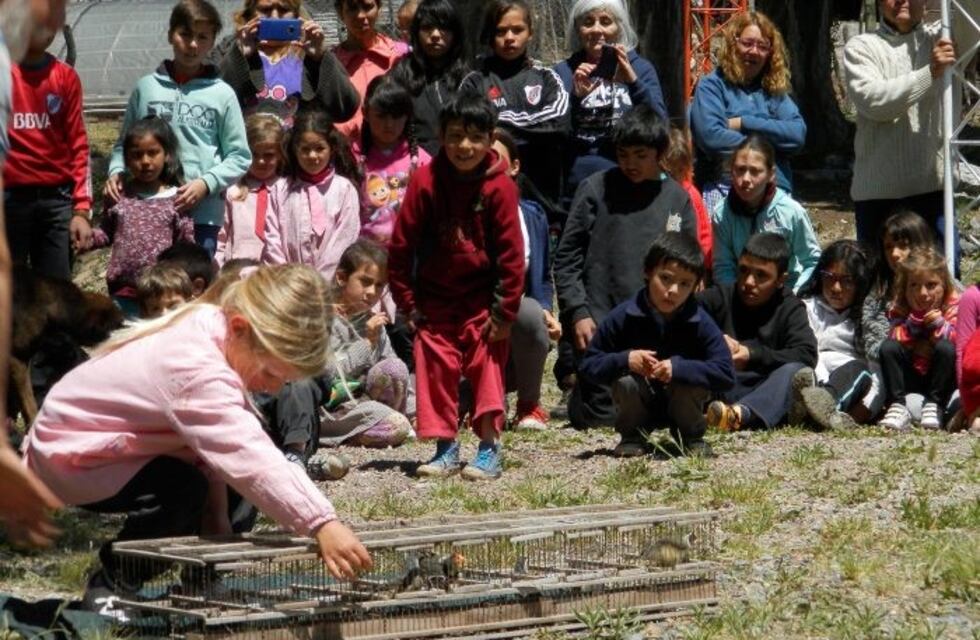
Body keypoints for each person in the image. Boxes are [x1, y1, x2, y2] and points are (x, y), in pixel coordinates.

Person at [23, 264, 373, 611]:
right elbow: (246, 454)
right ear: (239, 328)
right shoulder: (195, 369)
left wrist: (218, 513)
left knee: (237, 477)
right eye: (271, 373)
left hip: (128, 445)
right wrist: (321, 522)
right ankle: (115, 583)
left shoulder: (216, 327)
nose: (274, 387)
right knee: (184, 488)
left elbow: (219, 449)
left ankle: (204, 576)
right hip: (71, 451)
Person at [388, 92, 524, 481]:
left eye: (475, 137)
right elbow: (401, 247)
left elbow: (511, 257)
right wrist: (407, 302)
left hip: (483, 299)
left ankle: (488, 449)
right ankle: (445, 448)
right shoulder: (426, 181)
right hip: (435, 299)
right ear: (441, 137)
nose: (465, 147)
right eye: (454, 137)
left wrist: (504, 312)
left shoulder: (500, 188)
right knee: (435, 365)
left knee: (486, 365)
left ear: (489, 138)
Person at [553, 103, 697, 428]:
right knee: (599, 418)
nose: (630, 163)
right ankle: (578, 387)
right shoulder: (595, 189)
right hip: (600, 325)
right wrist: (578, 312)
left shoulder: (676, 199)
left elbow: (689, 265)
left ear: (659, 153)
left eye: (640, 154)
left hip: (657, 328)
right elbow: (566, 257)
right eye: (623, 153)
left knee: (658, 414)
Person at [0, 0, 69, 550]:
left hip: (50, 201)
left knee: (48, 306)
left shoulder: (59, 77)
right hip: (13, 198)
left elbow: (75, 143)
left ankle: (43, 410)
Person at [105, 0, 252, 257]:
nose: (193, 45)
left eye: (202, 37)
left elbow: (239, 156)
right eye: (185, 34)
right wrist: (116, 171)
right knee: (147, 284)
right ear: (171, 35)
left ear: (212, 41)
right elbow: (123, 144)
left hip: (201, 214)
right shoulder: (146, 88)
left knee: (192, 287)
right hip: (146, 210)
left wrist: (206, 183)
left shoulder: (222, 94)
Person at [580, 232, 734, 458]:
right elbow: (588, 366)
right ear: (647, 272)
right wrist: (625, 359)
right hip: (640, 398)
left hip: (683, 404)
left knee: (691, 381)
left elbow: (726, 373)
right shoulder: (623, 316)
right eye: (666, 278)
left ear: (696, 287)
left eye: (684, 284)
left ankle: (691, 438)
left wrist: (679, 369)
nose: (673, 290)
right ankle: (632, 437)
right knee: (626, 383)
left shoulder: (701, 321)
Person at [843, 0, 958, 255]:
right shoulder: (861, 47)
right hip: (878, 196)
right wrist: (931, 71)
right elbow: (875, 102)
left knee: (941, 285)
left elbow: (974, 11)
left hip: (934, 191)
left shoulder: (947, 36)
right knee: (878, 285)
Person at [553, 0, 667, 210]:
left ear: (619, 27)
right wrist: (576, 99)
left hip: (631, 186)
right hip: (577, 190)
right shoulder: (563, 71)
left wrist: (633, 83)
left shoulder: (640, 69)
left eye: (606, 21)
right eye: (588, 22)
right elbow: (555, 136)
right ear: (578, 29)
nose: (597, 29)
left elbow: (660, 126)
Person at [700, 232, 819, 431]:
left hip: (763, 388)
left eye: (761, 275)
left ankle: (739, 415)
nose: (748, 282)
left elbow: (806, 354)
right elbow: (679, 320)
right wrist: (713, 340)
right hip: (719, 386)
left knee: (795, 371)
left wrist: (752, 355)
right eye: (744, 270)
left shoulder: (790, 307)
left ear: (781, 280)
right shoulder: (719, 297)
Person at [459, 0, 569, 214]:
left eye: (517, 30)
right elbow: (469, 129)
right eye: (501, 31)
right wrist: (531, 130)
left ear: (530, 33)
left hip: (543, 199)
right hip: (486, 197)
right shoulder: (474, 82)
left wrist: (497, 127)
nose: (509, 38)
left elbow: (559, 126)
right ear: (490, 35)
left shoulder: (547, 78)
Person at [689, 10, 805, 212]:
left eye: (762, 46)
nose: (754, 51)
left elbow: (797, 135)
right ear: (733, 44)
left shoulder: (774, 91)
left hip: (775, 190)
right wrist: (770, 147)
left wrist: (744, 122)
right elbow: (711, 137)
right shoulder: (712, 86)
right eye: (747, 43)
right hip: (725, 188)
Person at [3, 17, 91, 280]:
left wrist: (81, 210)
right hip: (8, 202)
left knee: (57, 295)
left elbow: (78, 145)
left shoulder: (65, 78)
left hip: (56, 203)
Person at [85, 117, 194, 317]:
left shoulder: (177, 201)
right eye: (137, 155)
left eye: (152, 153)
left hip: (161, 299)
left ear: (167, 155)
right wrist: (85, 237)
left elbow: (185, 247)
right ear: (125, 159)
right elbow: (106, 233)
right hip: (123, 293)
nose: (145, 161)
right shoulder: (119, 196)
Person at [490, 128, 561, 430]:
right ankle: (484, 402)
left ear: (515, 166)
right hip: (477, 318)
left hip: (518, 318)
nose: (489, 167)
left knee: (531, 313)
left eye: (496, 159)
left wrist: (546, 308)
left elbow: (543, 277)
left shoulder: (533, 216)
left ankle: (529, 406)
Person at [217, 0, 359, 127]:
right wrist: (241, 55)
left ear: (296, 16)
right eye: (265, 10)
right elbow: (214, 104)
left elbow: (344, 110)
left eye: (284, 10)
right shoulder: (229, 49)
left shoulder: (308, 54)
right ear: (250, 15)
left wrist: (320, 57)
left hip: (295, 152)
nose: (274, 16)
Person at [711, 134, 820, 293]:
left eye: (755, 171)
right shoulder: (722, 213)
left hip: (784, 294)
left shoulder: (791, 213)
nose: (746, 179)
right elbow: (723, 266)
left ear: (771, 174)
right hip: (741, 294)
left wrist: (793, 295)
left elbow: (812, 260)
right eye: (740, 170)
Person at [264, 109, 361, 280]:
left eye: (319, 148)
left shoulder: (344, 190)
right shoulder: (280, 189)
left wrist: (319, 282)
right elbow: (273, 239)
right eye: (305, 149)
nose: (312, 156)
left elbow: (345, 239)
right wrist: (288, 279)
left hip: (329, 286)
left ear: (331, 148)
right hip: (288, 286)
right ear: (295, 150)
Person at [796, 240, 880, 430]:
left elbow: (876, 371)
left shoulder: (869, 318)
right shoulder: (807, 307)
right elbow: (805, 350)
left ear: (861, 283)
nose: (836, 288)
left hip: (851, 379)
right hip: (814, 375)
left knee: (858, 369)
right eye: (830, 277)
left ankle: (824, 407)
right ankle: (808, 408)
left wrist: (868, 408)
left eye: (847, 281)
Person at [878, 247, 958, 431]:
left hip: (941, 379)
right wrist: (912, 328)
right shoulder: (900, 308)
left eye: (931, 285)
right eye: (914, 285)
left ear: (944, 285)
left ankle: (935, 404)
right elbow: (895, 336)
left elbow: (957, 340)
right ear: (904, 289)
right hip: (913, 374)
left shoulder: (952, 306)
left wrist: (938, 326)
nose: (922, 294)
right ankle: (897, 405)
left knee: (946, 348)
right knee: (888, 347)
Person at [353, 73, 431, 246]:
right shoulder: (351, 158)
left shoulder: (422, 162)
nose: (389, 124)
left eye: (396, 116)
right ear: (365, 113)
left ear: (407, 116)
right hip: (365, 256)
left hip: (409, 254)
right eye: (381, 116)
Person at [390, 0, 469, 156]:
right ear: (416, 32)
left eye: (443, 27)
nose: (435, 35)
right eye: (427, 28)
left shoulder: (468, 79)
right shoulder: (400, 75)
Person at [861, 211, 937, 366]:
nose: (894, 254)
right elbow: (873, 346)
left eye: (903, 245)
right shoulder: (879, 296)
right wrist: (912, 347)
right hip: (900, 373)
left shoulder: (948, 286)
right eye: (888, 247)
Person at [216, 113, 287, 267]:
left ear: (281, 155)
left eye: (269, 155)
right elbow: (220, 237)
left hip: (276, 274)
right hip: (237, 273)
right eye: (254, 154)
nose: (261, 161)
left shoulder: (287, 190)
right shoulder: (232, 191)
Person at [332, 0, 410, 137]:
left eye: (367, 7)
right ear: (340, 12)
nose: (361, 15)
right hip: (345, 152)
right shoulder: (330, 64)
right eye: (352, 8)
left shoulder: (400, 56)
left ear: (379, 9)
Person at [661, 125, 712, 270]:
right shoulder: (656, 193)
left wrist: (702, 268)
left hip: (690, 264)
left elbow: (704, 235)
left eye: (680, 170)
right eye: (669, 173)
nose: (675, 177)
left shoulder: (690, 194)